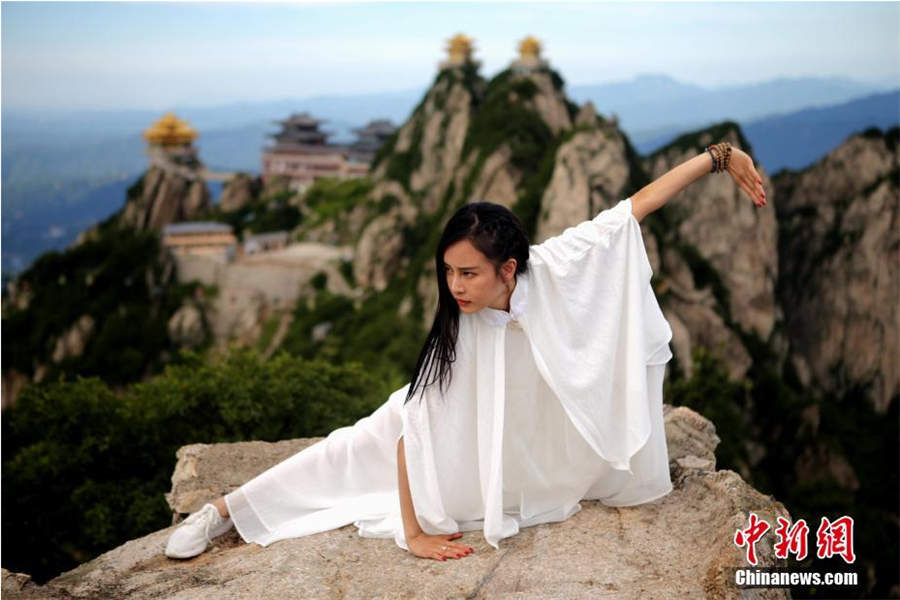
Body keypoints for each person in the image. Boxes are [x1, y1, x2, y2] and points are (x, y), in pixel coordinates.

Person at [165, 142, 766, 562]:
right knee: (344, 455)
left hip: (515, 437)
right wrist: (414, 534)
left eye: (469, 273)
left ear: (509, 269)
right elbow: (411, 436)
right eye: (448, 272)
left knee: (351, 463)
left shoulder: (554, 265)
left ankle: (230, 511)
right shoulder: (459, 326)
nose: (455, 287)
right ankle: (221, 512)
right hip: (441, 414)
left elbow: (635, 206)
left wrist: (719, 158)